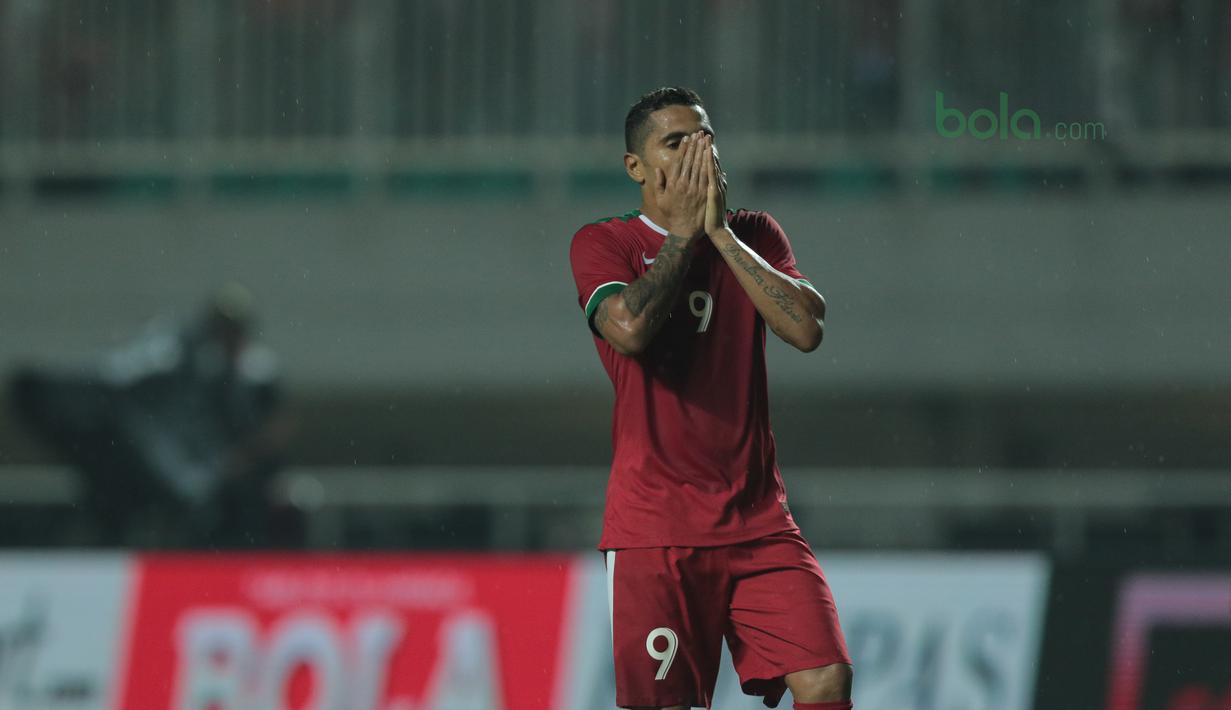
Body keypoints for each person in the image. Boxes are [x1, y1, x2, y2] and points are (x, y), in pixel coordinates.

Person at [568, 87, 854, 710]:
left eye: (705, 138)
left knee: (826, 680)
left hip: (759, 521)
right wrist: (679, 237)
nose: (698, 153)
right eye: (676, 142)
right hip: (657, 528)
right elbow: (631, 329)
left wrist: (718, 234)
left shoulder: (754, 233)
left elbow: (807, 329)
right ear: (636, 168)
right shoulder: (604, 243)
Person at [8, 284, 293, 548]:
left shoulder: (250, 375)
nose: (229, 340)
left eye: (235, 331)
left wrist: (236, 459)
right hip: (167, 468)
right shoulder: (176, 353)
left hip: (202, 480)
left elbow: (265, 429)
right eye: (223, 330)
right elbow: (115, 372)